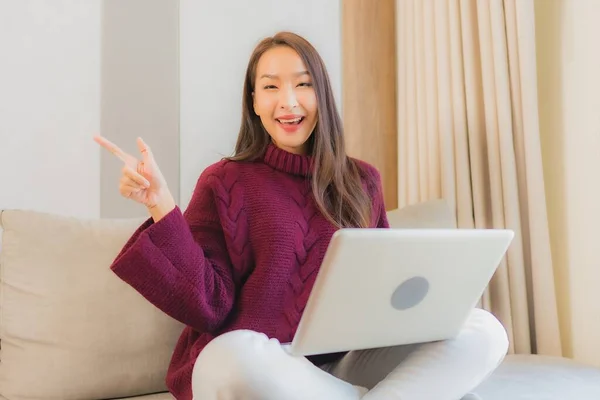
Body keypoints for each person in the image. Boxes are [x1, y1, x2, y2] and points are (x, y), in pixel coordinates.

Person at [94, 31, 508, 400]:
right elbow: (209, 307)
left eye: (303, 85)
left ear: (321, 95)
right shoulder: (225, 181)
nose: (288, 101)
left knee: (484, 331)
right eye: (271, 87)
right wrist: (160, 204)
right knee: (228, 354)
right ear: (254, 102)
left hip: (341, 365)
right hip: (265, 368)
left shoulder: (361, 180)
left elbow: (383, 298)